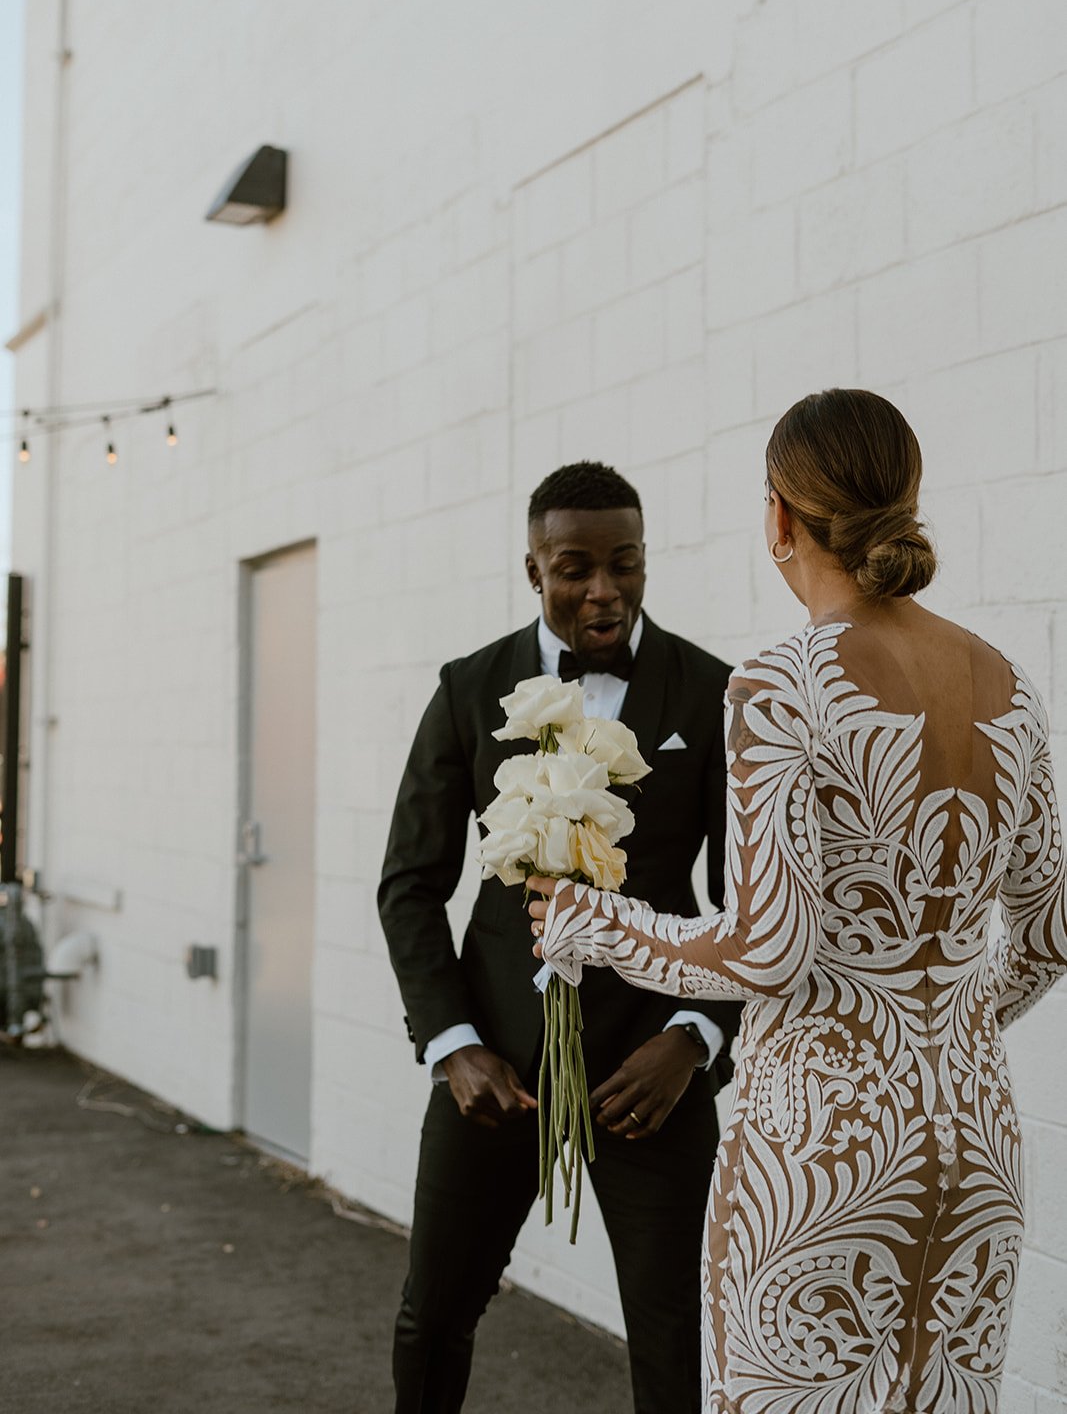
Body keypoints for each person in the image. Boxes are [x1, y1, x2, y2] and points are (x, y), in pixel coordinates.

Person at [529, 391, 1067, 1414]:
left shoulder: (778, 684)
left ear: (776, 515)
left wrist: (590, 924)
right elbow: (1047, 937)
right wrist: (934, 1027)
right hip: (972, 1134)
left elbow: (767, 948)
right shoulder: (1009, 682)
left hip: (816, 1142)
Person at [379, 460, 743, 1414]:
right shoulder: (469, 689)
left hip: (648, 1073)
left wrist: (693, 1039)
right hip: (493, 1066)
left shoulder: (713, 693)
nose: (602, 589)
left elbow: (750, 903)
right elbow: (410, 886)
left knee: (680, 1339)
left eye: (624, 564)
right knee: (432, 1316)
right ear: (531, 569)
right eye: (574, 567)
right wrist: (454, 1048)